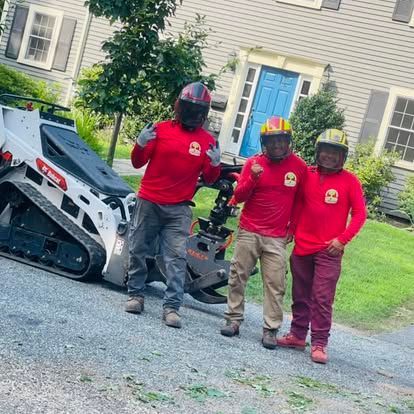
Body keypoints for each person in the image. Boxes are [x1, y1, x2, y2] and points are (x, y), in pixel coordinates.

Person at [125, 82, 221, 329]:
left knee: (176, 258)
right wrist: (141, 143)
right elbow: (137, 163)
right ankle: (135, 295)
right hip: (149, 200)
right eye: (189, 108)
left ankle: (171, 308)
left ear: (204, 113)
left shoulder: (206, 141)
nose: (192, 114)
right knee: (138, 248)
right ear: (179, 107)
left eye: (198, 110)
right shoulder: (160, 130)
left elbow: (210, 178)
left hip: (178, 208)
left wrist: (215, 163)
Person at [277, 129, 367, 364]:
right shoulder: (307, 174)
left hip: (329, 250)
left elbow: (359, 214)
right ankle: (297, 335)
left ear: (343, 157)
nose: (329, 156)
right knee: (300, 294)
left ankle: (319, 343)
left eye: (335, 152)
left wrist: (342, 240)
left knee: (322, 298)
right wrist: (291, 229)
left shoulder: (350, 182)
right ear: (318, 152)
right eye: (326, 151)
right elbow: (297, 204)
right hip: (302, 247)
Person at [219, 116, 307, 349]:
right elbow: (239, 196)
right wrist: (253, 178)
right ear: (264, 142)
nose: (277, 145)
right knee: (238, 275)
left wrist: (293, 227)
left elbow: (300, 201)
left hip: (277, 236)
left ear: (288, 141)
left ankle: (270, 329)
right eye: (271, 141)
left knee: (276, 282)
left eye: (281, 140)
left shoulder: (299, 167)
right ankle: (233, 319)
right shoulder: (253, 163)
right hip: (249, 230)